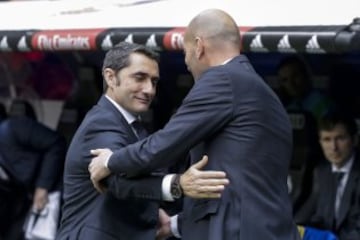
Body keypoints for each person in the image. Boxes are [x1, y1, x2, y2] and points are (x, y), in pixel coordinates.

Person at [89, 9, 300, 240]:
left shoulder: (222, 79)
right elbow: (241, 180)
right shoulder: (264, 93)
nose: (187, 63)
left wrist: (110, 161)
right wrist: (175, 225)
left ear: (199, 46)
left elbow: (164, 145)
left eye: (186, 52)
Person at [56, 42, 229, 240]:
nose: (149, 90)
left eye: (154, 82)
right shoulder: (101, 123)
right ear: (110, 77)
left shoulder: (130, 125)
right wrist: (178, 184)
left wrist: (156, 213)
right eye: (139, 78)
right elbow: (118, 180)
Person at [0, 99, 66, 240]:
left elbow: (56, 143)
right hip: (33, 199)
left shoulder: (12, 128)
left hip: (57, 191)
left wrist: (42, 186)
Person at [298, 111, 360, 240]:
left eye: (340, 138)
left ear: (354, 140)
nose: (333, 147)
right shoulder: (321, 172)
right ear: (320, 142)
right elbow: (307, 214)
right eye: (327, 139)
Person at [277, 55, 334, 123]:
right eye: (285, 80)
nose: (291, 84)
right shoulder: (289, 108)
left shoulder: (322, 103)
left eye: (295, 76)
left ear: (305, 75)